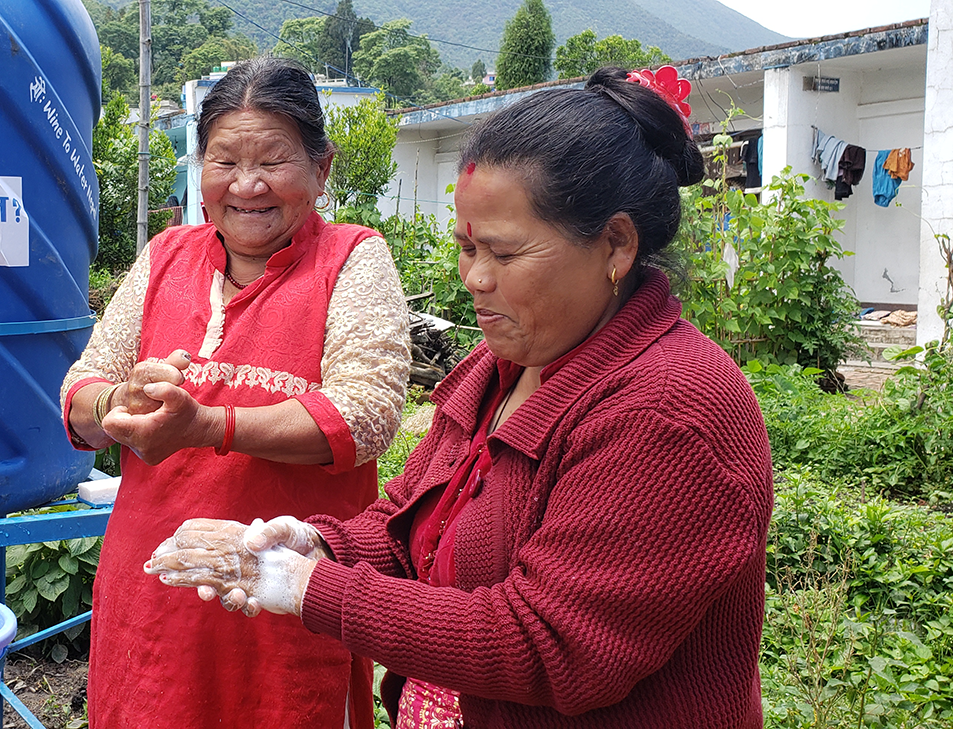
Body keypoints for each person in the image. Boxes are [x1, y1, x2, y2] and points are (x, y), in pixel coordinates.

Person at [146, 66, 775, 728]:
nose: (473, 278)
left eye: (502, 254)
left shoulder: (668, 409)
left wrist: (309, 587)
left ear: (616, 244)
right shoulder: (500, 368)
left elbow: (547, 644)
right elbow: (410, 522)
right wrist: (316, 544)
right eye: (465, 246)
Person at [61, 57, 411, 728]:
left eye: (273, 161)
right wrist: (117, 405)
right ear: (200, 170)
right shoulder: (166, 255)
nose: (247, 185)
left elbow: (364, 415)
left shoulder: (352, 258)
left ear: (321, 168)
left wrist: (208, 425)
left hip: (282, 600)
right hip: (152, 599)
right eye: (224, 162)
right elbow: (82, 388)